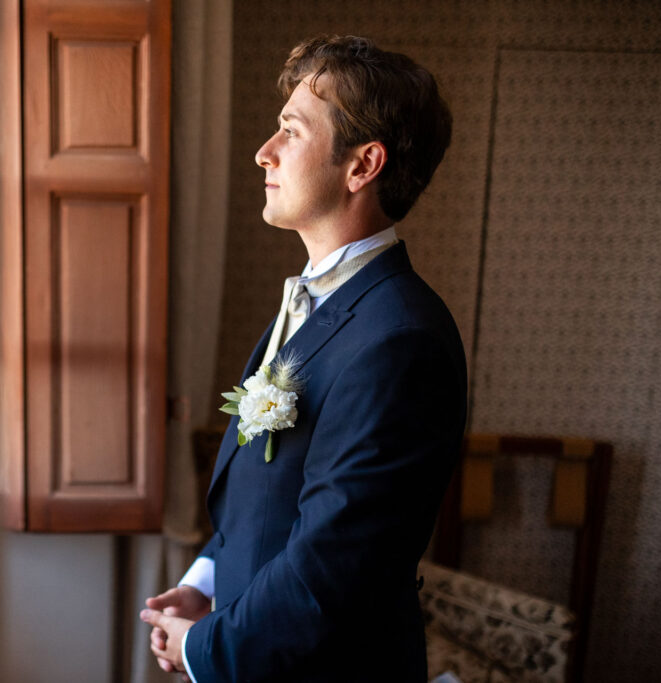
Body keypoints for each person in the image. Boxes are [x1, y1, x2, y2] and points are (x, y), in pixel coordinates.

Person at [139, 35, 467, 682]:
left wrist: (205, 646)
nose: (264, 151)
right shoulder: (319, 301)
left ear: (362, 164)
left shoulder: (400, 337)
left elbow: (334, 559)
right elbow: (272, 496)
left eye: (291, 130)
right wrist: (208, 580)